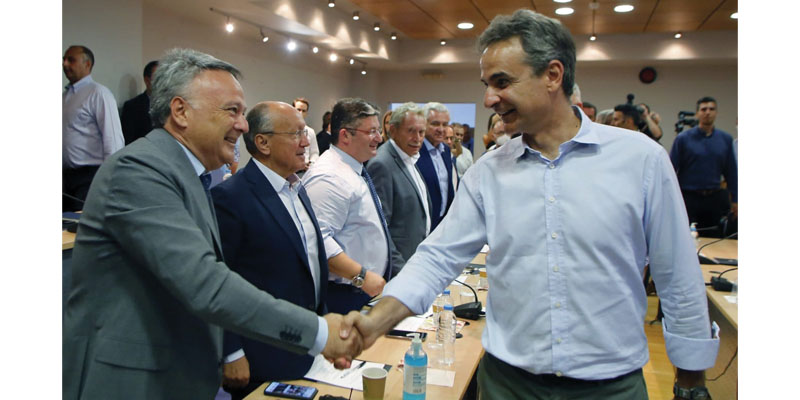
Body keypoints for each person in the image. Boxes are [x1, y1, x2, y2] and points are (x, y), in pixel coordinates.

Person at [344, 10, 719, 400]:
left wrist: (691, 381)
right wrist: (374, 321)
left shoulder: (640, 160)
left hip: (610, 386)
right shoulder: (488, 172)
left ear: (553, 75)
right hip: (508, 384)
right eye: (487, 84)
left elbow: (677, 273)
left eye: (502, 82)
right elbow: (437, 258)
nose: (489, 98)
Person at [62, 48, 362, 400]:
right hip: (129, 381)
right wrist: (318, 333)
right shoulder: (139, 170)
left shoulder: (191, 175)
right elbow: (205, 283)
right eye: (232, 111)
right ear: (180, 112)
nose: (244, 125)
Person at [212, 101, 330, 400]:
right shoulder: (230, 198)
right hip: (261, 353)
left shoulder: (296, 188)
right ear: (263, 142)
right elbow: (217, 281)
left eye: (305, 133)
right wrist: (231, 351)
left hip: (307, 345)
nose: (306, 142)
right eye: (296, 134)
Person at [303, 98, 392, 314]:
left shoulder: (352, 168)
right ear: (345, 135)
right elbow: (317, 239)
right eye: (371, 131)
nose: (379, 138)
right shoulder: (329, 176)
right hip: (344, 294)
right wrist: (361, 275)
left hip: (362, 290)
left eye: (378, 130)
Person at [366, 102, 432, 274]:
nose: (417, 138)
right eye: (411, 131)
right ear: (393, 130)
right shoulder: (382, 164)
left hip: (416, 261)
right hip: (399, 268)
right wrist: (401, 271)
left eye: (421, 132)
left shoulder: (409, 157)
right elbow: (381, 229)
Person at [62, 45, 124, 211]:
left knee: (83, 223)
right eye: (64, 59)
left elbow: (113, 139)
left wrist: (110, 178)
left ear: (87, 64)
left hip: (90, 177)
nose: (65, 64)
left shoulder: (98, 93)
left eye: (71, 60)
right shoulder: (65, 96)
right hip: (66, 178)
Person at [670, 96, 738, 238]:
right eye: (704, 109)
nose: (708, 112)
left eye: (711, 109)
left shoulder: (725, 139)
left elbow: (731, 172)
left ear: (716, 113)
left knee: (713, 237)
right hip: (688, 197)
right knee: (684, 237)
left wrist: (735, 200)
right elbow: (671, 170)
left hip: (713, 198)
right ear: (697, 113)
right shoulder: (683, 139)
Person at [416, 102, 455, 231]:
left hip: (443, 224)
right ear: (424, 124)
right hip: (422, 226)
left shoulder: (446, 151)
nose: (441, 129)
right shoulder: (415, 151)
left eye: (445, 124)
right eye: (435, 124)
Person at [121, 60, 158, 145]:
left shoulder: (172, 104)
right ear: (147, 80)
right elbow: (128, 140)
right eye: (158, 78)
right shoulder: (132, 106)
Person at [293, 97, 320, 172]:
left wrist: (311, 164)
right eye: (298, 109)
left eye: (303, 111)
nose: (300, 113)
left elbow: (315, 153)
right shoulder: (285, 129)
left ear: (306, 113)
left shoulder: (310, 131)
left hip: (305, 171)